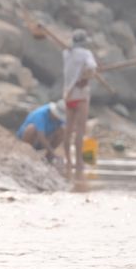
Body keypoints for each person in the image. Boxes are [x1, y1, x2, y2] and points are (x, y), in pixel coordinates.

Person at [61, 29, 98, 169]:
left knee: (68, 129)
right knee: (80, 130)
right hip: (81, 95)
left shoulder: (66, 53)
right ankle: (79, 162)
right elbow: (92, 67)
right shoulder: (86, 53)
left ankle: (68, 160)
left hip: (68, 95)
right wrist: (86, 78)